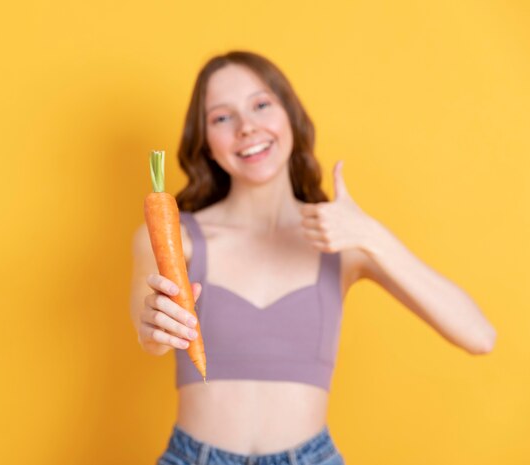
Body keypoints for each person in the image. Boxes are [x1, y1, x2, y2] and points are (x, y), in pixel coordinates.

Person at [130, 51, 497, 465]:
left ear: (291, 117)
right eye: (221, 118)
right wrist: (153, 325)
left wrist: (372, 235)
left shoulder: (342, 240)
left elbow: (479, 335)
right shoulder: (171, 239)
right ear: (207, 145)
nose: (247, 126)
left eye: (261, 104)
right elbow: (149, 338)